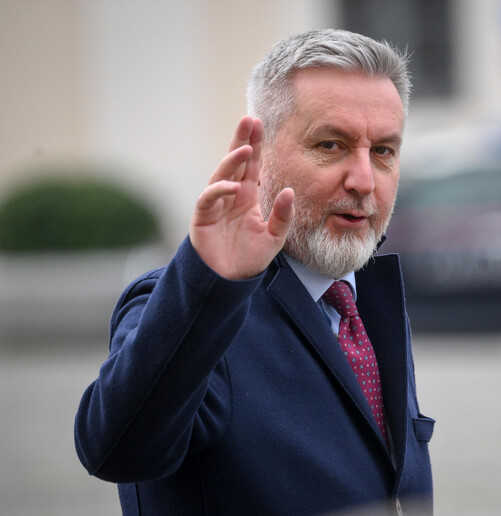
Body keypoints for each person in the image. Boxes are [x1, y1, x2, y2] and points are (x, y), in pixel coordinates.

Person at [74, 29, 434, 516]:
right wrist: (209, 280)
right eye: (331, 145)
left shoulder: (362, 299)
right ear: (258, 156)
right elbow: (116, 449)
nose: (364, 180)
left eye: (383, 151)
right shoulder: (193, 305)